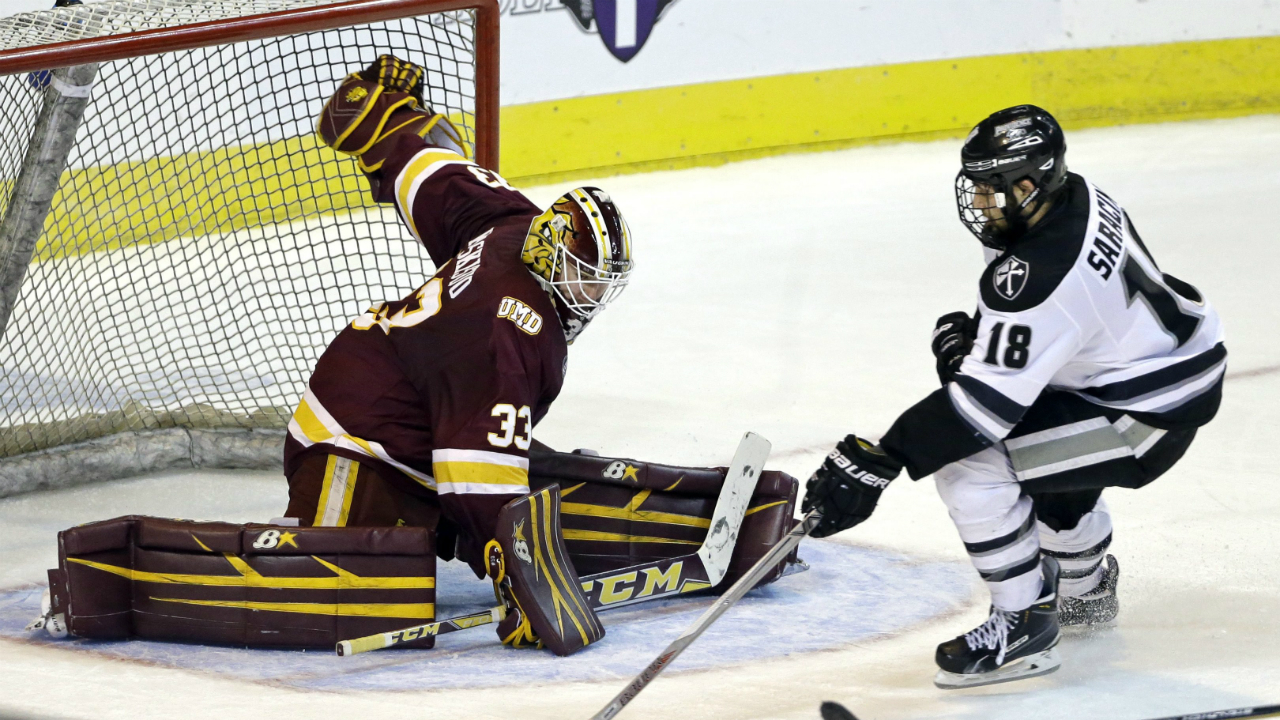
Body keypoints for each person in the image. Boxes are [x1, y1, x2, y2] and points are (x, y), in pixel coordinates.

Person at [802, 105, 1225, 688]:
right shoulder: (1072, 196)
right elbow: (1052, 332)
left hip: (1141, 413)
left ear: (1033, 181)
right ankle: (1086, 589)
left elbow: (983, 412)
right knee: (1048, 464)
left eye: (991, 187)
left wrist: (880, 458)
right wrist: (982, 343)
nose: (978, 201)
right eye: (974, 184)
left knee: (970, 467)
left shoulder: (1043, 270)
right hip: (1147, 372)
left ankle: (1023, 626)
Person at [284, 55, 635, 576]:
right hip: (357, 442)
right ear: (551, 255)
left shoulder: (514, 222)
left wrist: (389, 124)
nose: (589, 295)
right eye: (581, 276)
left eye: (600, 283)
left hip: (414, 409)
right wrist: (517, 572)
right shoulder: (511, 331)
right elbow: (473, 474)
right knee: (328, 582)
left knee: (506, 461)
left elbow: (435, 173)